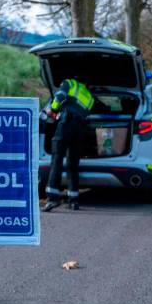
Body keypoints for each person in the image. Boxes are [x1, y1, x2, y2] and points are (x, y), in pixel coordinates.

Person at [42, 79, 94, 212]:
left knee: (57, 158)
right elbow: (85, 113)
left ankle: (52, 198)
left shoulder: (70, 83)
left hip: (67, 122)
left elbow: (59, 97)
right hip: (80, 128)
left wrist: (53, 109)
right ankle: (74, 200)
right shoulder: (90, 97)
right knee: (73, 163)